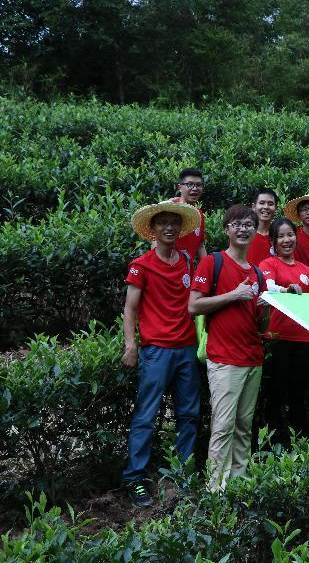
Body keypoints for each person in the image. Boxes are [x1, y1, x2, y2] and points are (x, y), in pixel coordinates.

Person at [121, 200, 202, 507]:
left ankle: (183, 475)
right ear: (152, 229)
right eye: (163, 223)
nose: (169, 227)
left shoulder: (186, 260)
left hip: (186, 347)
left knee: (189, 415)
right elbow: (130, 308)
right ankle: (135, 478)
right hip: (156, 350)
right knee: (146, 414)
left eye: (174, 223)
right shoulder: (141, 265)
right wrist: (131, 346)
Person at [189, 205, 270, 491]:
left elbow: (261, 326)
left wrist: (265, 309)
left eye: (248, 224)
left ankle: (238, 484)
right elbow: (194, 306)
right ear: (226, 230)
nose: (243, 229)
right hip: (224, 359)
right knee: (223, 426)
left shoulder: (258, 274)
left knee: (244, 426)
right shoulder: (213, 262)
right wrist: (233, 295)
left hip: (253, 358)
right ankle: (215, 489)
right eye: (237, 224)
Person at [259, 217, 309, 440]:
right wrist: (286, 290)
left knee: (298, 392)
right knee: (276, 393)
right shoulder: (268, 264)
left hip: (303, 340)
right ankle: (275, 440)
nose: (287, 240)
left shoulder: (306, 270)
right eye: (281, 236)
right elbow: (267, 288)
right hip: (277, 338)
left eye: (290, 235)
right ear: (273, 241)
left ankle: (299, 440)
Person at [156, 168, 207, 262]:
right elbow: (156, 241)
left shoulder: (199, 214)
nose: (195, 188)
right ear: (179, 187)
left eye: (198, 185)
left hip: (188, 269)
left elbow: (200, 246)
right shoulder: (169, 208)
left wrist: (207, 267)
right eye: (190, 184)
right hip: (169, 268)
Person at [246, 187, 279, 267]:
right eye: (262, 203)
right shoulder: (244, 235)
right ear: (254, 207)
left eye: (270, 204)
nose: (266, 207)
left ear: (276, 209)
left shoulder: (280, 236)